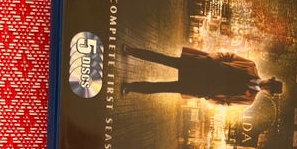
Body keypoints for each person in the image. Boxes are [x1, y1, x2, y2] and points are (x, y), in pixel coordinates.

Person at [121, 45, 283, 105]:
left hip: (201, 87)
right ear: (269, 78)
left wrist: (209, 97)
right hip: (204, 68)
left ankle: (130, 87)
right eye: (270, 83)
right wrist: (211, 58)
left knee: (162, 88)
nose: (266, 86)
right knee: (164, 59)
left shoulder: (249, 99)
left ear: (268, 93)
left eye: (269, 89)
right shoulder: (250, 66)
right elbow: (229, 55)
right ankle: (131, 51)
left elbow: (225, 104)